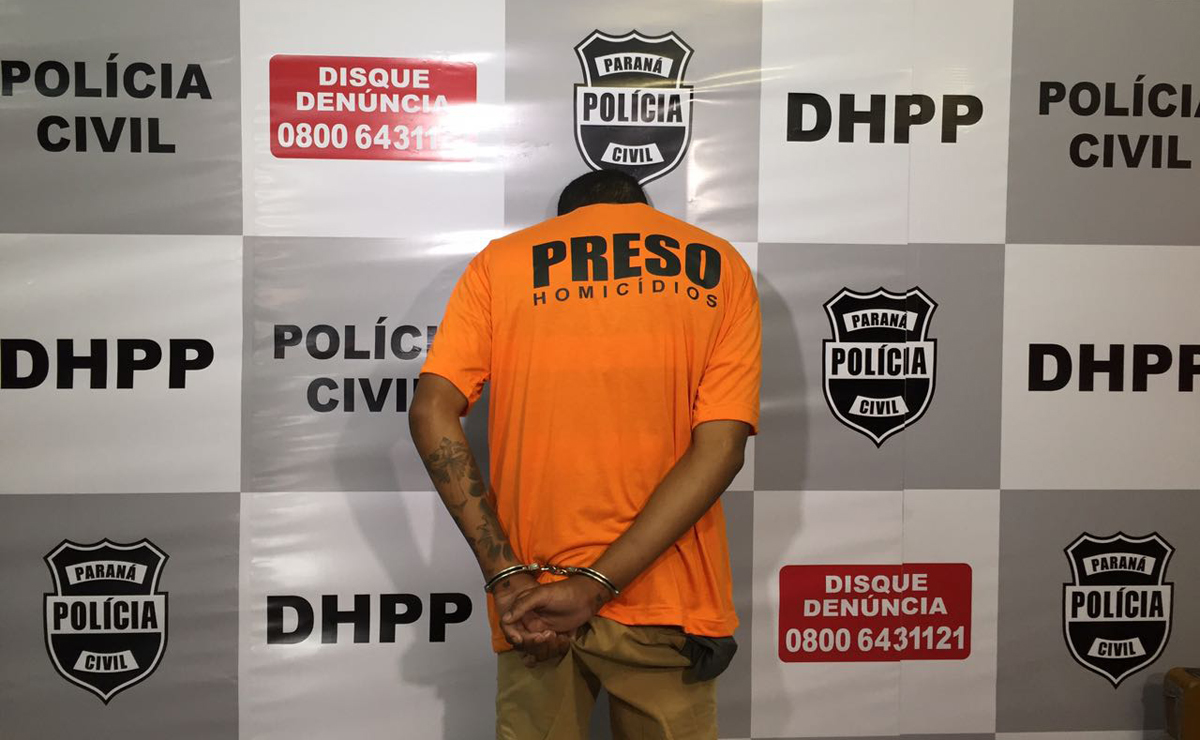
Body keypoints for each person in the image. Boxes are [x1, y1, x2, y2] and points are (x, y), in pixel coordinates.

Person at [408, 169, 761, 740]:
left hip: (533, 605)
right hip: (666, 599)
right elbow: (721, 450)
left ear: (566, 219)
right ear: (644, 210)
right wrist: (596, 585)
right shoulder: (720, 264)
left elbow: (430, 411)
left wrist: (506, 577)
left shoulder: (503, 262)